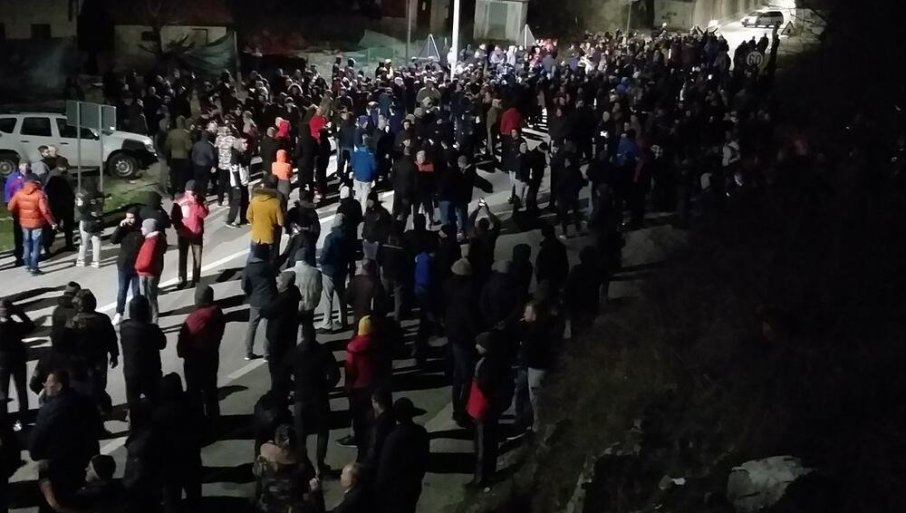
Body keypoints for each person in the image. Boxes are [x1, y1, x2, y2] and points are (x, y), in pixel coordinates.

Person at [30, 370, 103, 511]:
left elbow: (35, 446)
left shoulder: (47, 411)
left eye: (48, 384)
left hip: (58, 469)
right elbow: (98, 429)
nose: (45, 386)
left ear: (58, 386)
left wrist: (41, 456)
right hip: (84, 464)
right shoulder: (86, 402)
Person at [285, 333, 339, 477]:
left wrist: (295, 387)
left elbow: (284, 375)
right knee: (322, 431)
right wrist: (326, 388)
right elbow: (335, 375)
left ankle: (303, 464)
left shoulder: (294, 353)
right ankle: (320, 464)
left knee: (301, 434)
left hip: (301, 399)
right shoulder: (323, 351)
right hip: (319, 397)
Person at [176, 285, 225, 427]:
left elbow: (183, 343)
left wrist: (183, 352)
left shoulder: (195, 318)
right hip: (212, 356)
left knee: (195, 393)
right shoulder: (217, 313)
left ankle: (198, 423)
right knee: (211, 391)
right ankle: (214, 421)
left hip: (195, 360)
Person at [64, 289, 119, 415]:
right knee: (99, 385)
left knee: (86, 386)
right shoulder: (103, 319)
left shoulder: (72, 322)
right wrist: (114, 354)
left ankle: (95, 408)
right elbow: (112, 339)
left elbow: (66, 344)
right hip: (99, 359)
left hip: (81, 361)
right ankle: (102, 407)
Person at [154, 373, 203, 513]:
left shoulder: (158, 415)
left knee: (172, 499)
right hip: (191, 458)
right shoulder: (192, 406)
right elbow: (203, 430)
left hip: (169, 464)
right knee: (194, 496)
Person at [374, 398, 429, 513]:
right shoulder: (421, 432)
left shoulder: (393, 439)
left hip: (396, 490)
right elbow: (424, 460)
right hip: (414, 484)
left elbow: (384, 468)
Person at [466, 331, 506, 488]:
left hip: (483, 410)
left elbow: (484, 385)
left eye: (479, 344)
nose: (476, 346)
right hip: (490, 409)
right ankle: (490, 472)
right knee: (491, 442)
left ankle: (480, 479)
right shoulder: (497, 361)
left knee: (482, 446)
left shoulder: (487, 365)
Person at [513, 301, 557, 435]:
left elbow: (531, 348)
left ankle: (536, 427)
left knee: (535, 399)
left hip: (536, 367)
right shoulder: (529, 327)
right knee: (522, 394)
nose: (524, 314)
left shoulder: (539, 330)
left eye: (527, 312)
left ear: (535, 315)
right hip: (526, 366)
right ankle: (523, 421)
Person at [445, 258, 480, 427]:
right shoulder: (467, 295)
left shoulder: (448, 288)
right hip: (464, 339)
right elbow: (471, 320)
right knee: (466, 377)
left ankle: (457, 410)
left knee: (458, 377)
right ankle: (462, 412)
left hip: (454, 337)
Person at [343, 316, 383, 454]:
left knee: (358, 418)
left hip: (358, 387)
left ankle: (361, 447)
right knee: (373, 416)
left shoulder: (353, 346)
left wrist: (348, 385)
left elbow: (350, 369)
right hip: (374, 385)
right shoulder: (377, 343)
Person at [120, 296, 166, 412]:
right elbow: (162, 343)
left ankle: (135, 420)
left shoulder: (124, 327)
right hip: (150, 373)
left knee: (133, 404)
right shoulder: (152, 329)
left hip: (131, 372)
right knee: (156, 402)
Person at [253, 424, 310, 513]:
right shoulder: (301, 458)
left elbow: (258, 481)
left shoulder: (266, 456)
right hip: (285, 504)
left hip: (278, 504)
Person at [7, 175, 58, 275]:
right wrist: (51, 222)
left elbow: (10, 207)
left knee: (26, 243)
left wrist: (20, 211)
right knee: (36, 245)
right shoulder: (39, 194)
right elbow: (44, 210)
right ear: (36, 183)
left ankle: (27, 265)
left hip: (24, 223)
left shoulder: (19, 193)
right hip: (37, 223)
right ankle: (34, 268)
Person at [262, 271, 301, 388]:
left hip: (279, 335)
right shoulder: (294, 292)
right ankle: (286, 381)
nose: (277, 283)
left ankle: (278, 387)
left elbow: (267, 311)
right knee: (286, 361)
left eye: (279, 282)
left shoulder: (284, 299)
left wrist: (264, 307)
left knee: (275, 364)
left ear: (285, 283)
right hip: (289, 333)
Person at [0, 299, 34, 429]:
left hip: (3, 362)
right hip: (18, 360)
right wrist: (20, 313)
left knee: (3, 391)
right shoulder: (15, 326)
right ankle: (23, 418)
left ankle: (4, 419)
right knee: (21, 390)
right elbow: (30, 326)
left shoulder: (9, 326)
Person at [171, 180, 209, 289]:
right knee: (182, 257)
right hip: (183, 233)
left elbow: (204, 214)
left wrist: (195, 203)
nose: (190, 194)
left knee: (197, 257)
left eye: (192, 191)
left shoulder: (201, 199)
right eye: (188, 191)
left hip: (196, 233)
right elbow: (174, 216)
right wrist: (178, 228)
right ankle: (182, 279)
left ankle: (196, 279)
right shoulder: (179, 199)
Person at [243, 244, 277, 361]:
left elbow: (244, 285)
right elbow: (273, 284)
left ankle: (248, 352)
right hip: (268, 300)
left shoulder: (248, 268)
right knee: (268, 328)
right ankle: (267, 353)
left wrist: (250, 295)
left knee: (252, 326)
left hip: (255, 301)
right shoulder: (268, 266)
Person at [110, 207, 143, 326]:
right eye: (127, 218)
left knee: (136, 292)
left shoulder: (142, 229)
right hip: (124, 265)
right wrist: (119, 227)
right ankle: (119, 313)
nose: (129, 220)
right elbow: (113, 240)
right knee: (122, 290)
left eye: (132, 218)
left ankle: (136, 314)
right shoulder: (124, 229)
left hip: (138, 265)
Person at [318, 215, 350, 333]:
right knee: (342, 296)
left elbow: (325, 254)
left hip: (329, 270)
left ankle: (327, 323)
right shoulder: (347, 237)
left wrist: (321, 262)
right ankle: (343, 320)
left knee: (328, 297)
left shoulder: (330, 238)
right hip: (341, 270)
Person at [135, 218, 166, 323]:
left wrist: (138, 267)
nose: (141, 229)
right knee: (151, 297)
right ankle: (152, 320)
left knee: (149, 298)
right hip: (151, 272)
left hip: (147, 273)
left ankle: (152, 321)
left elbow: (147, 260)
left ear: (149, 228)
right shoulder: (155, 239)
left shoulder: (151, 242)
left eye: (143, 227)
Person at [248, 176, 285, 262]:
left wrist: (255, 224)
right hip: (270, 234)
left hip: (256, 234)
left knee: (253, 255)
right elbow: (281, 222)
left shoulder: (254, 200)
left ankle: (252, 268)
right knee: (269, 257)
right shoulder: (276, 201)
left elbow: (248, 216)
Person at [42, 161, 76, 256]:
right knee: (58, 226)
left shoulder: (57, 176)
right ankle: (49, 245)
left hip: (60, 205)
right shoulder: (57, 177)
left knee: (63, 226)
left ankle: (66, 244)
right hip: (61, 205)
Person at [346, 259, 385, 332]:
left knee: (358, 332)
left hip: (357, 314)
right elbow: (381, 302)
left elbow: (347, 298)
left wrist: (355, 306)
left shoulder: (355, 280)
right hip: (371, 316)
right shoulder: (376, 283)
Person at [363, 387, 395, 470]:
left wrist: (367, 464)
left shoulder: (378, 425)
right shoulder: (393, 417)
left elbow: (373, 447)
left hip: (379, 464)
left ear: (375, 402)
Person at [292, 255, 323, 341]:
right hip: (310, 304)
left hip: (294, 307)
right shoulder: (316, 272)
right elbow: (319, 288)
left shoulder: (288, 272)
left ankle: (296, 345)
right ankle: (309, 343)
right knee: (308, 326)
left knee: (294, 328)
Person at [4, 162, 28, 267]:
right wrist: (9, 203)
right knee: (18, 233)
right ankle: (19, 257)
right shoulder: (12, 178)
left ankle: (30, 255)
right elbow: (8, 192)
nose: (26, 168)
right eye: (24, 165)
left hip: (29, 208)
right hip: (18, 209)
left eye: (27, 165)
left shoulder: (30, 176)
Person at [164, 115, 193, 198]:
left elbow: (167, 146)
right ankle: (181, 193)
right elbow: (188, 147)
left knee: (173, 176)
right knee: (182, 176)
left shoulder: (171, 133)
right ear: (183, 123)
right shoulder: (186, 133)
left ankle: (173, 193)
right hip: (183, 157)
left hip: (173, 157)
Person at [535, 223, 570, 293]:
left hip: (549, 278)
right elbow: (565, 264)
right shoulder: (560, 246)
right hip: (560, 276)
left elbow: (540, 265)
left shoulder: (545, 248)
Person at [227, 138, 252, 227]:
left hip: (243, 181)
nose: (246, 145)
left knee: (245, 200)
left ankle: (244, 218)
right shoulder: (235, 156)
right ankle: (230, 220)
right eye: (244, 143)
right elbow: (235, 171)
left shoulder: (243, 154)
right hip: (237, 182)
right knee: (237, 200)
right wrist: (237, 185)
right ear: (239, 145)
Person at [351, 137, 378, 213]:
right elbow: (374, 167)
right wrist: (373, 177)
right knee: (364, 197)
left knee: (358, 195)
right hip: (367, 177)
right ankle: (363, 213)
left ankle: (355, 211)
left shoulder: (357, 152)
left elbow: (352, 163)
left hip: (357, 176)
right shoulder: (371, 154)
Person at [190, 131, 217, 197]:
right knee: (204, 182)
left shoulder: (196, 144)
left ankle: (196, 194)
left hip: (197, 165)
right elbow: (212, 157)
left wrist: (194, 162)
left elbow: (193, 155)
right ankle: (202, 195)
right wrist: (214, 165)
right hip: (206, 165)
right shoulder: (209, 146)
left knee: (197, 180)